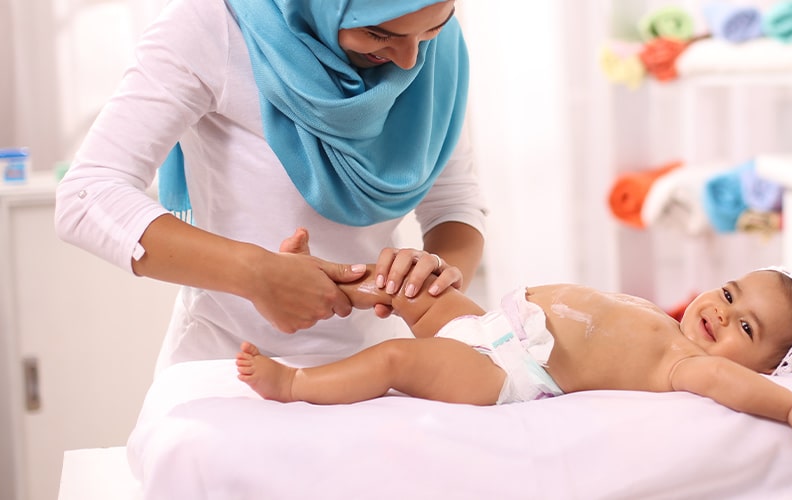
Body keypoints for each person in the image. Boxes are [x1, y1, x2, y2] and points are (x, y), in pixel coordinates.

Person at [55, 0, 484, 372]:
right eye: (377, 33)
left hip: (381, 366)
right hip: (230, 366)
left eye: (434, 26)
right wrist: (255, 274)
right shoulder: (215, 24)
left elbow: (453, 201)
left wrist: (433, 274)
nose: (411, 60)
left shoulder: (431, 46)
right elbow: (88, 194)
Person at [236, 241, 792, 442]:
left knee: (398, 358)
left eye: (748, 330)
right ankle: (320, 276)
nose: (723, 316)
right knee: (407, 284)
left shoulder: (683, 363)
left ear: (766, 367)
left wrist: (790, 410)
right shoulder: (661, 315)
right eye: (730, 296)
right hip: (492, 326)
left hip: (504, 372)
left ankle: (294, 384)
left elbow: (734, 384)